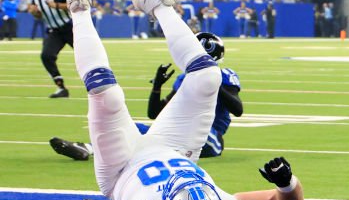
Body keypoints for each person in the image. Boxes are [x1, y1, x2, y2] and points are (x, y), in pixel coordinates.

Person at [59, 0, 302, 200]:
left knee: (106, 95)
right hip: (178, 149)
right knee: (208, 77)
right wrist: (286, 183)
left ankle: (78, 8)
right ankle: (156, 2)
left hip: (122, 167)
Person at [50, 32, 242, 161]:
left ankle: (151, 150)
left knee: (160, 144)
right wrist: (157, 87)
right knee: (130, 128)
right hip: (179, 136)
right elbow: (155, 114)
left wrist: (211, 80)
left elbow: (238, 109)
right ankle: (88, 149)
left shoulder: (224, 76)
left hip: (210, 137)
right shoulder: (184, 79)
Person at [27, 0, 74, 97]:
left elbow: (75, 4)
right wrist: (34, 13)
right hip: (54, 30)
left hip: (70, 28)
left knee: (85, 56)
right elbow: (39, 15)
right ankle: (61, 88)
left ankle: (99, 85)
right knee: (46, 56)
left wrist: (58, 5)